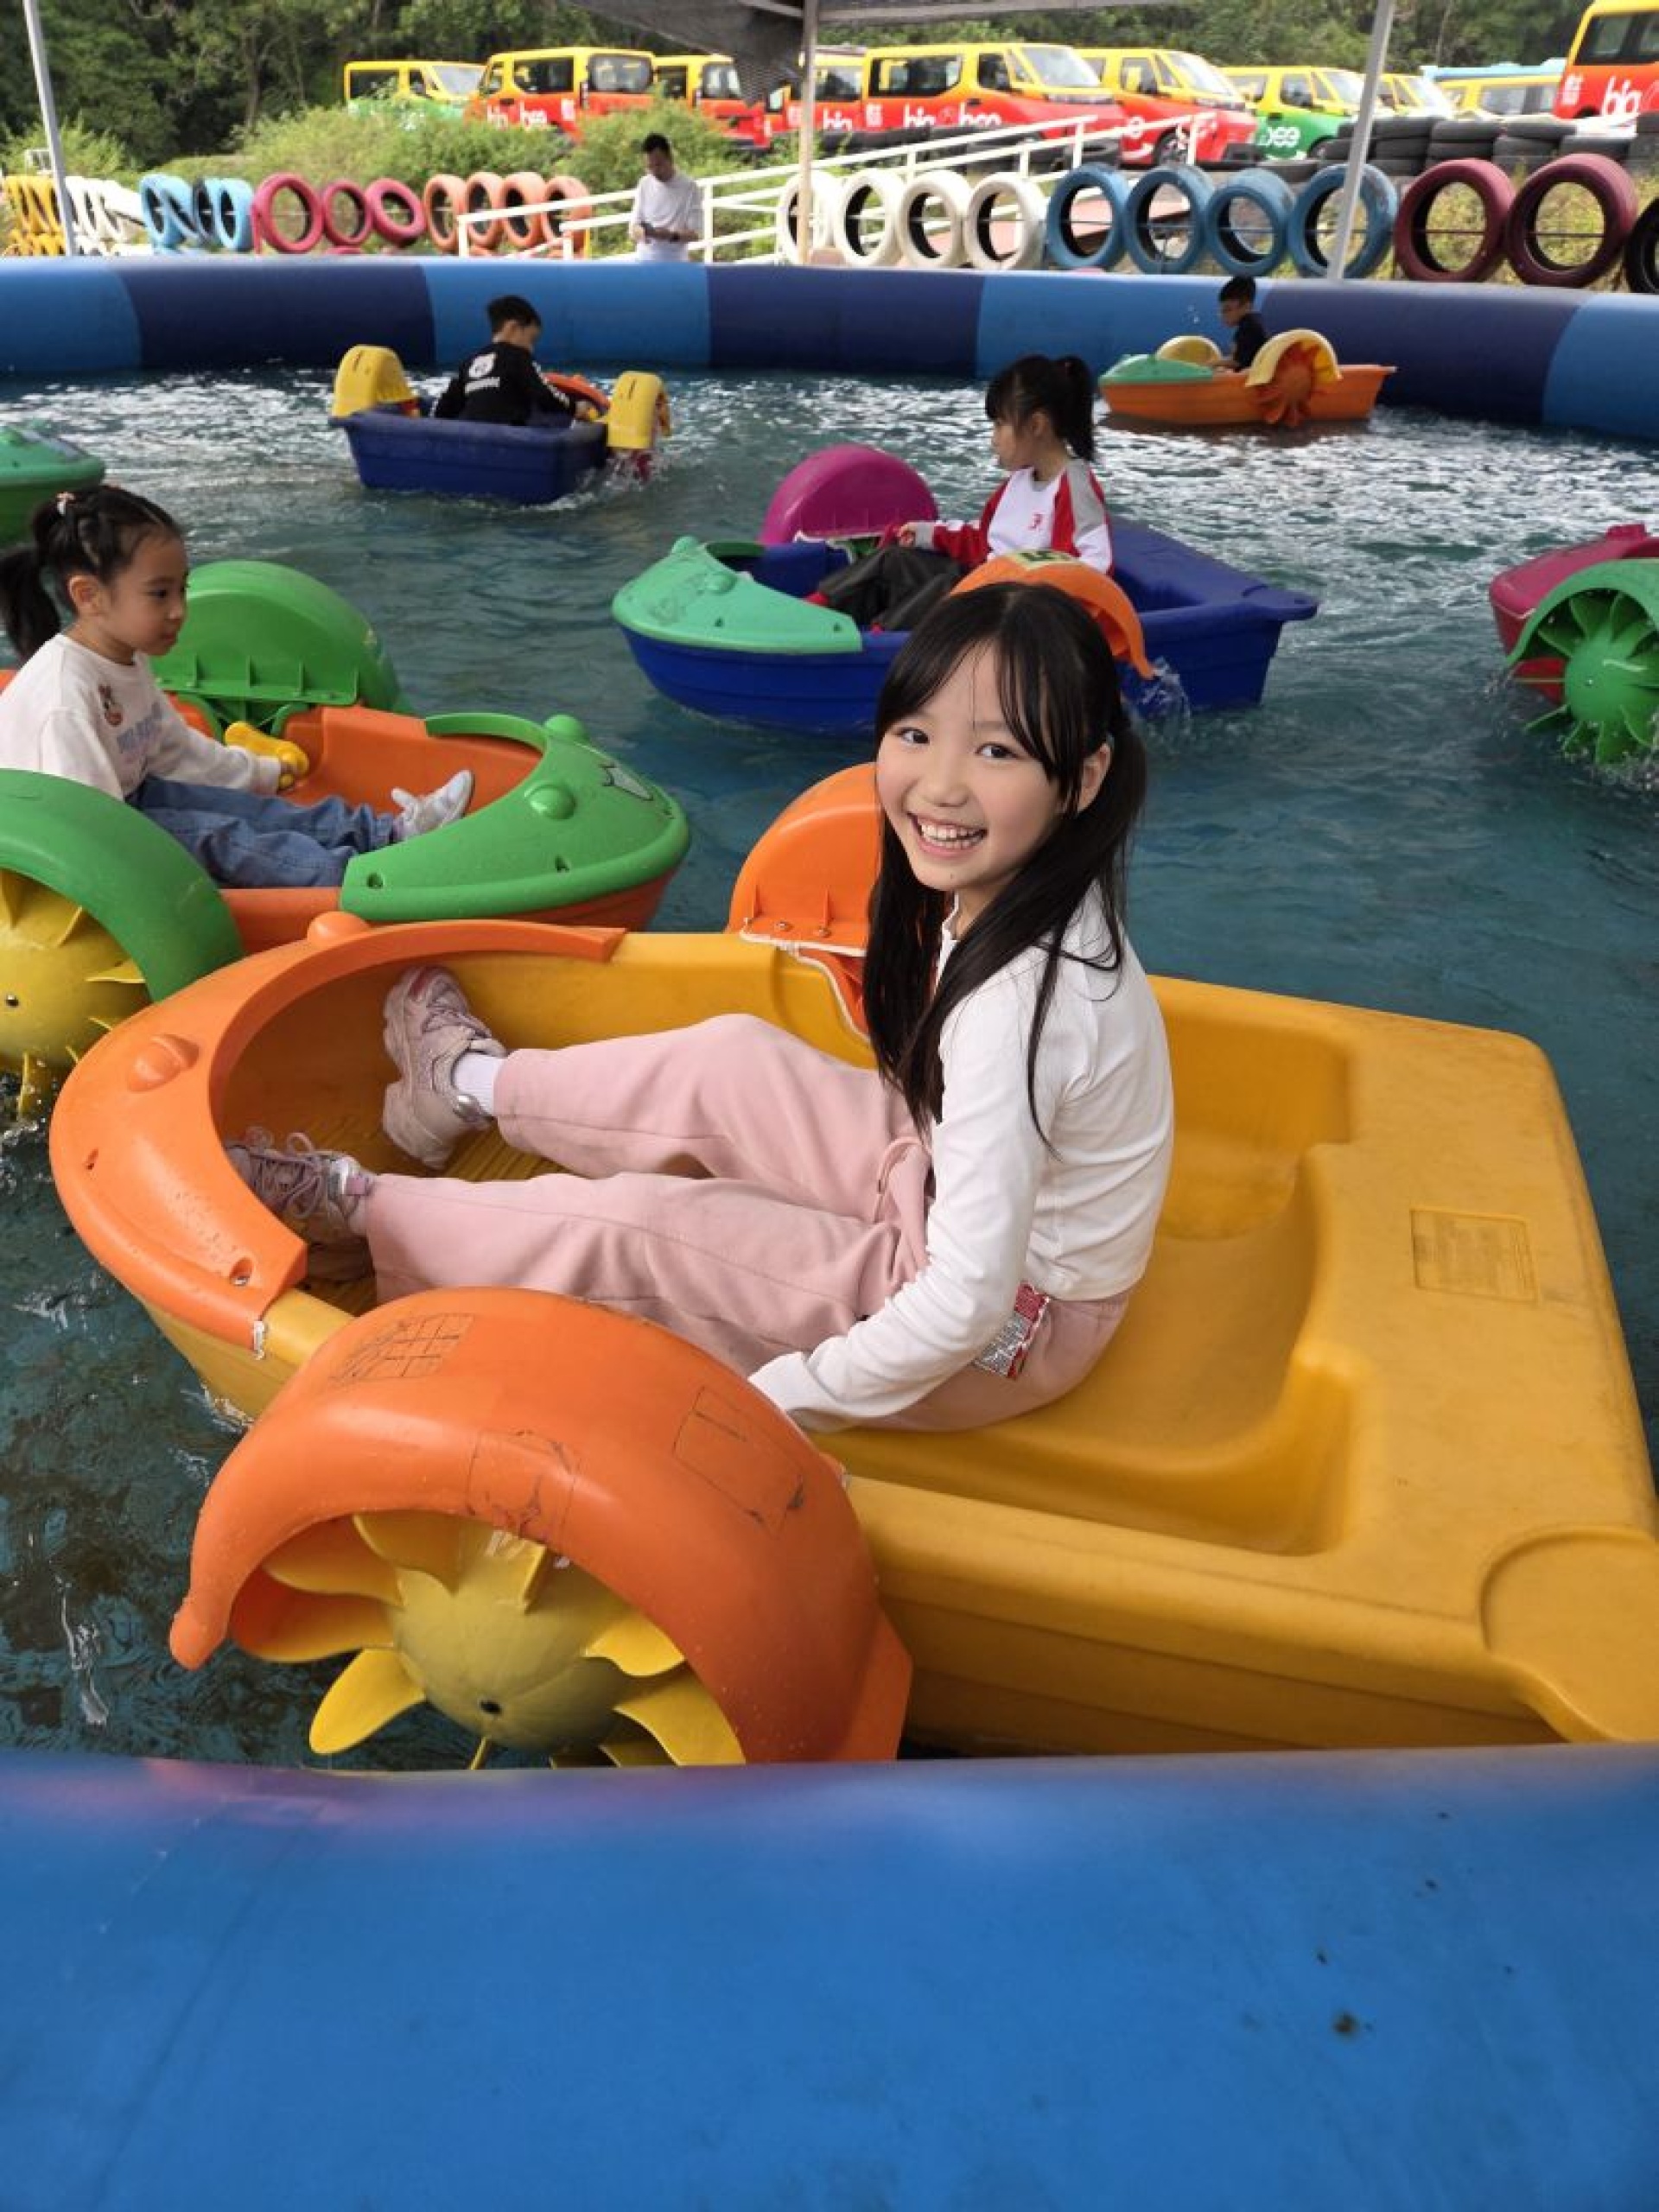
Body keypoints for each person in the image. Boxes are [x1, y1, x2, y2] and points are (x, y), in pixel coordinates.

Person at [229, 582, 1175, 1434]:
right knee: (733, 1059)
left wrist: (771, 1404)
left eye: (997, 750)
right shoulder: (1029, 896)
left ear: (1083, 779)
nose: (941, 785)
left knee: (646, 1229)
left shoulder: (1023, 1004)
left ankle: (367, 1216)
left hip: (1000, 1331)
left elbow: (965, 1304)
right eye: (917, 734)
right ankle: (465, 1084)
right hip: (941, 1195)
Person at [0, 486, 472, 890]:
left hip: (124, 803)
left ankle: (389, 835)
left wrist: (262, 772)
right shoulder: (65, 698)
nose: (179, 610)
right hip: (63, 844)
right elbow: (83, 838)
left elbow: (179, 751)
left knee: (247, 810)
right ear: (89, 596)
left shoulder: (127, 657)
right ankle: (361, 880)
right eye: (159, 593)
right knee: (221, 837)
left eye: (182, 589)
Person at [814, 354, 1114, 634]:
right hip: (983, 586)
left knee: (949, 587)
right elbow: (982, 540)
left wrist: (1024, 590)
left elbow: (1094, 568)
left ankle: (877, 646)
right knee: (894, 561)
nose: (993, 439)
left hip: (1013, 615)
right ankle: (816, 611)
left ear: (1036, 425)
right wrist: (928, 534)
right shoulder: (1018, 482)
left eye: (1000, 425)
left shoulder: (1075, 486)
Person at [431, 294, 577, 426]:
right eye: (531, 340)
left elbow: (443, 408)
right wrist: (575, 407)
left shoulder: (468, 362)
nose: (532, 349)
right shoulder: (519, 357)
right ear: (513, 327)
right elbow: (545, 396)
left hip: (473, 438)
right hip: (508, 437)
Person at [628, 134, 702, 263]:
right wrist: (645, 233)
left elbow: (695, 234)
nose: (654, 171)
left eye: (658, 165)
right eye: (650, 167)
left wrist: (670, 235)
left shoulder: (689, 187)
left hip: (675, 262)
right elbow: (633, 228)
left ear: (670, 159)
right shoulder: (644, 183)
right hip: (643, 260)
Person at [1218, 275, 1269, 371]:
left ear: (1246, 307)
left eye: (1227, 310)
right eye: (1221, 311)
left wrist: (1211, 363)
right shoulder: (1254, 321)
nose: (1222, 315)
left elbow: (1236, 362)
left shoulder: (1248, 328)